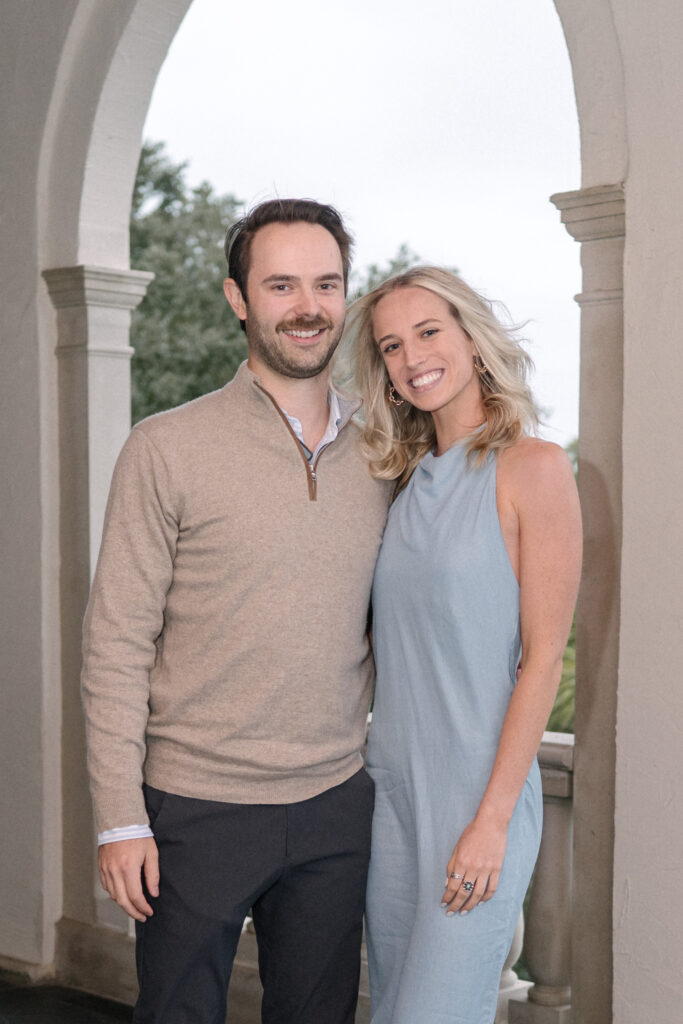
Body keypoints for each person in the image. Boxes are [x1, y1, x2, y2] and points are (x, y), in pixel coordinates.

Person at [81, 198, 391, 1024]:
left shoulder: (387, 450)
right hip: (193, 808)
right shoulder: (166, 447)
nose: (307, 306)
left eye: (325, 284)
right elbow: (116, 643)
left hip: (335, 801)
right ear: (237, 298)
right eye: (281, 284)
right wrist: (119, 820)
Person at [343, 266, 582, 1024]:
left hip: (477, 803)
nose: (410, 357)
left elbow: (542, 660)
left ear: (472, 341)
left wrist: (491, 822)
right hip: (393, 799)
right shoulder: (404, 484)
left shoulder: (533, 469)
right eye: (389, 345)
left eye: (427, 332)